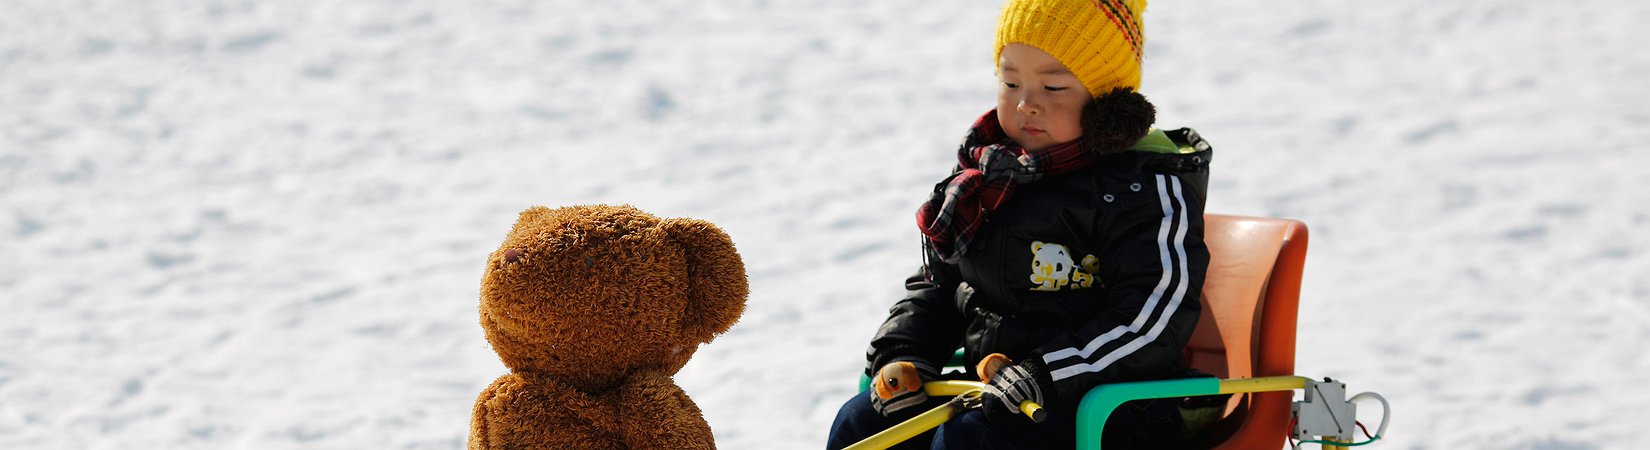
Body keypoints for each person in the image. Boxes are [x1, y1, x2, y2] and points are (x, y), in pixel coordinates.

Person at [826, 0, 1217, 449]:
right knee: (863, 423)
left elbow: (1151, 320)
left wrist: (1047, 372)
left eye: (1053, 87)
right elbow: (942, 285)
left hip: (1111, 405)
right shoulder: (991, 180)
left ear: (1107, 102)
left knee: (973, 440)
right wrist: (905, 353)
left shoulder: (1142, 189)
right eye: (1011, 82)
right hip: (997, 393)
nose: (1027, 104)